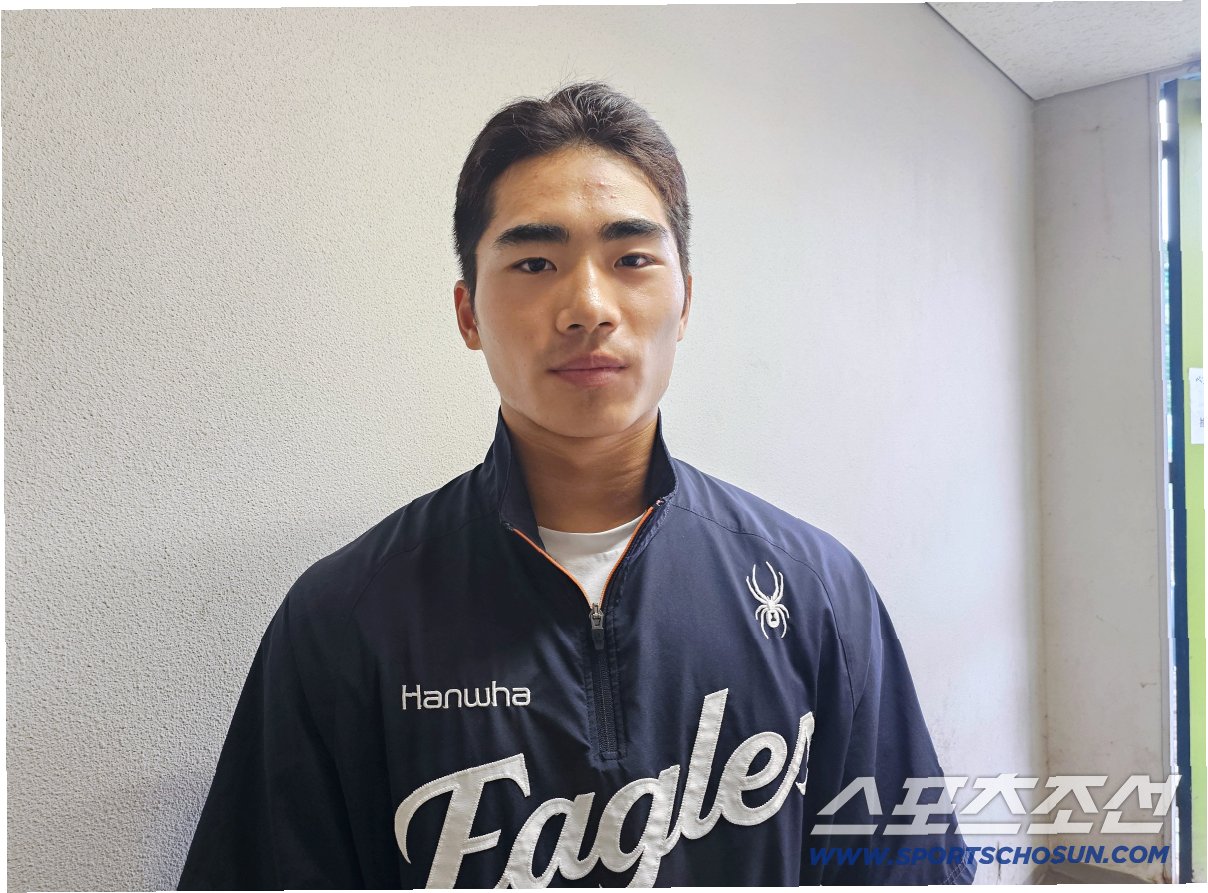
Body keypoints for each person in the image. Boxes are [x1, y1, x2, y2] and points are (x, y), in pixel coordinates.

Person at [178, 81, 975, 889]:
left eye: (631, 259)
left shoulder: (818, 593)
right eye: (535, 262)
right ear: (468, 313)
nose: (588, 307)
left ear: (685, 301)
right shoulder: (344, 617)